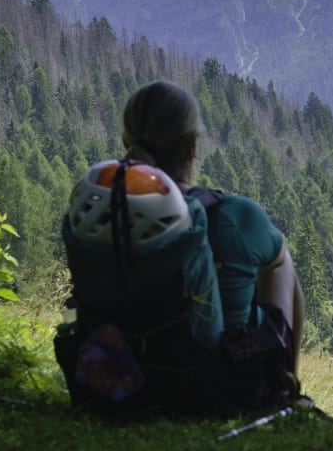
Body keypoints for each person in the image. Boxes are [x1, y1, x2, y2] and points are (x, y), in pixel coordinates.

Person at [56, 79, 305, 417]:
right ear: (191, 146)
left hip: (118, 384)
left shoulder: (103, 213)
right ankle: (285, 386)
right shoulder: (234, 216)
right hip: (214, 390)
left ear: (128, 141)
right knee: (280, 260)